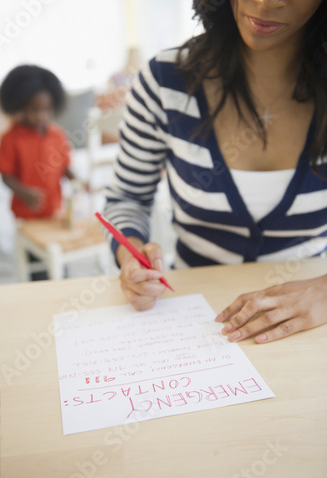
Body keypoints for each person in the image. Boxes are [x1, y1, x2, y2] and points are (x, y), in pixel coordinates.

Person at [103, 0, 327, 343]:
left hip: (311, 327)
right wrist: (130, 255)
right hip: (192, 321)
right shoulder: (165, 81)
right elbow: (127, 198)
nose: (265, 3)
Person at [0, 64, 77, 219]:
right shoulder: (10, 138)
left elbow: (65, 167)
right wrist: (23, 193)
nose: (41, 116)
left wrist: (77, 180)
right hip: (24, 212)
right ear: (20, 106)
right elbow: (5, 175)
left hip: (55, 209)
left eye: (47, 109)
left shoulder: (57, 135)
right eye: (34, 110)